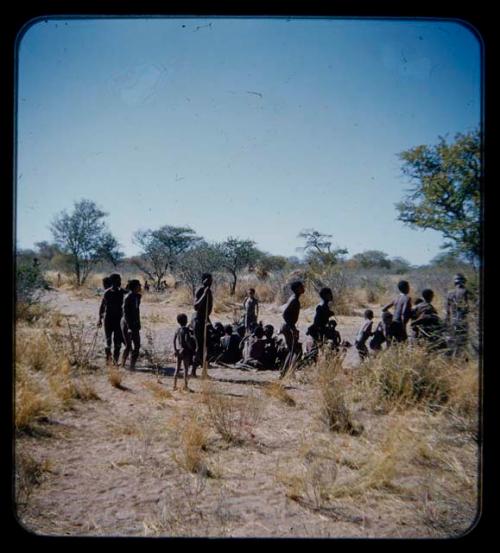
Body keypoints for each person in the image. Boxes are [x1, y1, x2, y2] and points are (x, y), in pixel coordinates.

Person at [97, 273, 126, 365]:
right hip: (115, 319)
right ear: (114, 281)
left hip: (109, 319)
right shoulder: (122, 292)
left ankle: (111, 360)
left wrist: (100, 318)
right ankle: (112, 360)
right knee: (113, 340)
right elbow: (102, 306)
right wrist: (100, 319)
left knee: (110, 340)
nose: (120, 282)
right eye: (118, 280)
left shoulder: (108, 292)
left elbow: (102, 307)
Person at [279, 280, 305, 377]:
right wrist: (292, 328)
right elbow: (285, 314)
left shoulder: (295, 298)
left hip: (288, 326)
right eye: (301, 287)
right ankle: (285, 373)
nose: (303, 288)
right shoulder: (294, 299)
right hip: (288, 327)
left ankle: (286, 372)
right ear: (297, 289)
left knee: (292, 350)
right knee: (293, 350)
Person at [192, 273, 214, 377]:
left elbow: (208, 309)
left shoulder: (209, 291)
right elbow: (196, 307)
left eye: (211, 280)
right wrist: (204, 294)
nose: (210, 281)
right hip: (197, 320)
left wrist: (209, 322)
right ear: (203, 280)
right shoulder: (200, 290)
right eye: (208, 280)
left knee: (206, 347)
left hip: (205, 320)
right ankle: (193, 371)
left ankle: (204, 371)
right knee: (199, 347)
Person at [445, 273, 470, 356]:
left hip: (453, 320)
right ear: (463, 281)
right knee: (463, 342)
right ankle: (460, 360)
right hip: (463, 320)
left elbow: (447, 312)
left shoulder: (449, 293)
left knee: (452, 340)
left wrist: (447, 323)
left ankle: (452, 359)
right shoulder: (465, 292)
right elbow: (469, 308)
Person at [121, 279, 142, 370]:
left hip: (135, 323)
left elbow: (137, 311)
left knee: (137, 345)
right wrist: (129, 327)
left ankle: (132, 366)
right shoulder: (128, 297)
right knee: (128, 345)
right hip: (127, 323)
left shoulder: (137, 297)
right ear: (134, 287)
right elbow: (125, 314)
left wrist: (138, 323)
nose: (140, 287)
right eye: (139, 285)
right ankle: (122, 364)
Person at [173, 313, 196, 391]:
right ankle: (185, 386)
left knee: (177, 369)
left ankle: (174, 385)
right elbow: (186, 340)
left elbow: (174, 340)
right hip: (185, 351)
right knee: (186, 369)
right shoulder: (186, 330)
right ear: (186, 321)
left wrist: (175, 349)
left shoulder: (177, 330)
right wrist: (191, 349)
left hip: (179, 350)